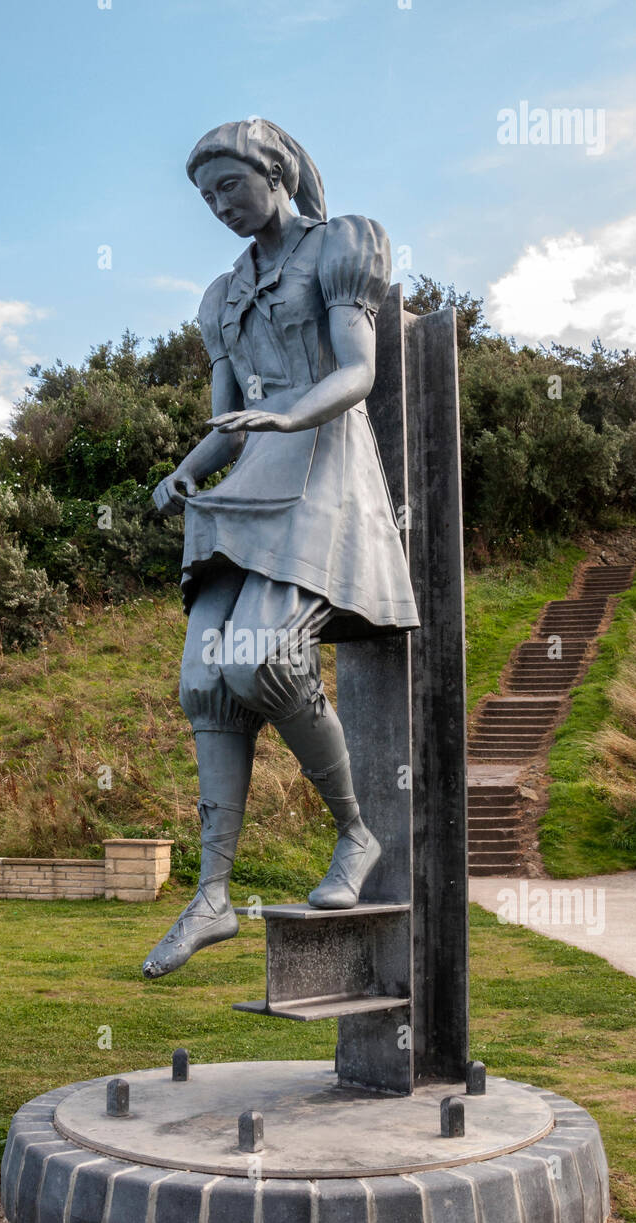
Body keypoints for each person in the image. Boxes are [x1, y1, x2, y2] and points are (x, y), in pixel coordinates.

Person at [142, 119, 419, 980]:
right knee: (204, 682)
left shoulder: (340, 246)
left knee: (260, 662)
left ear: (276, 171)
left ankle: (355, 835)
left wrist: (291, 413)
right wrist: (185, 471)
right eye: (205, 196)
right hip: (247, 483)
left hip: (323, 466)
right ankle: (212, 896)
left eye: (230, 185)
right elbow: (225, 417)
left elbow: (356, 372)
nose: (219, 206)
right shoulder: (223, 294)